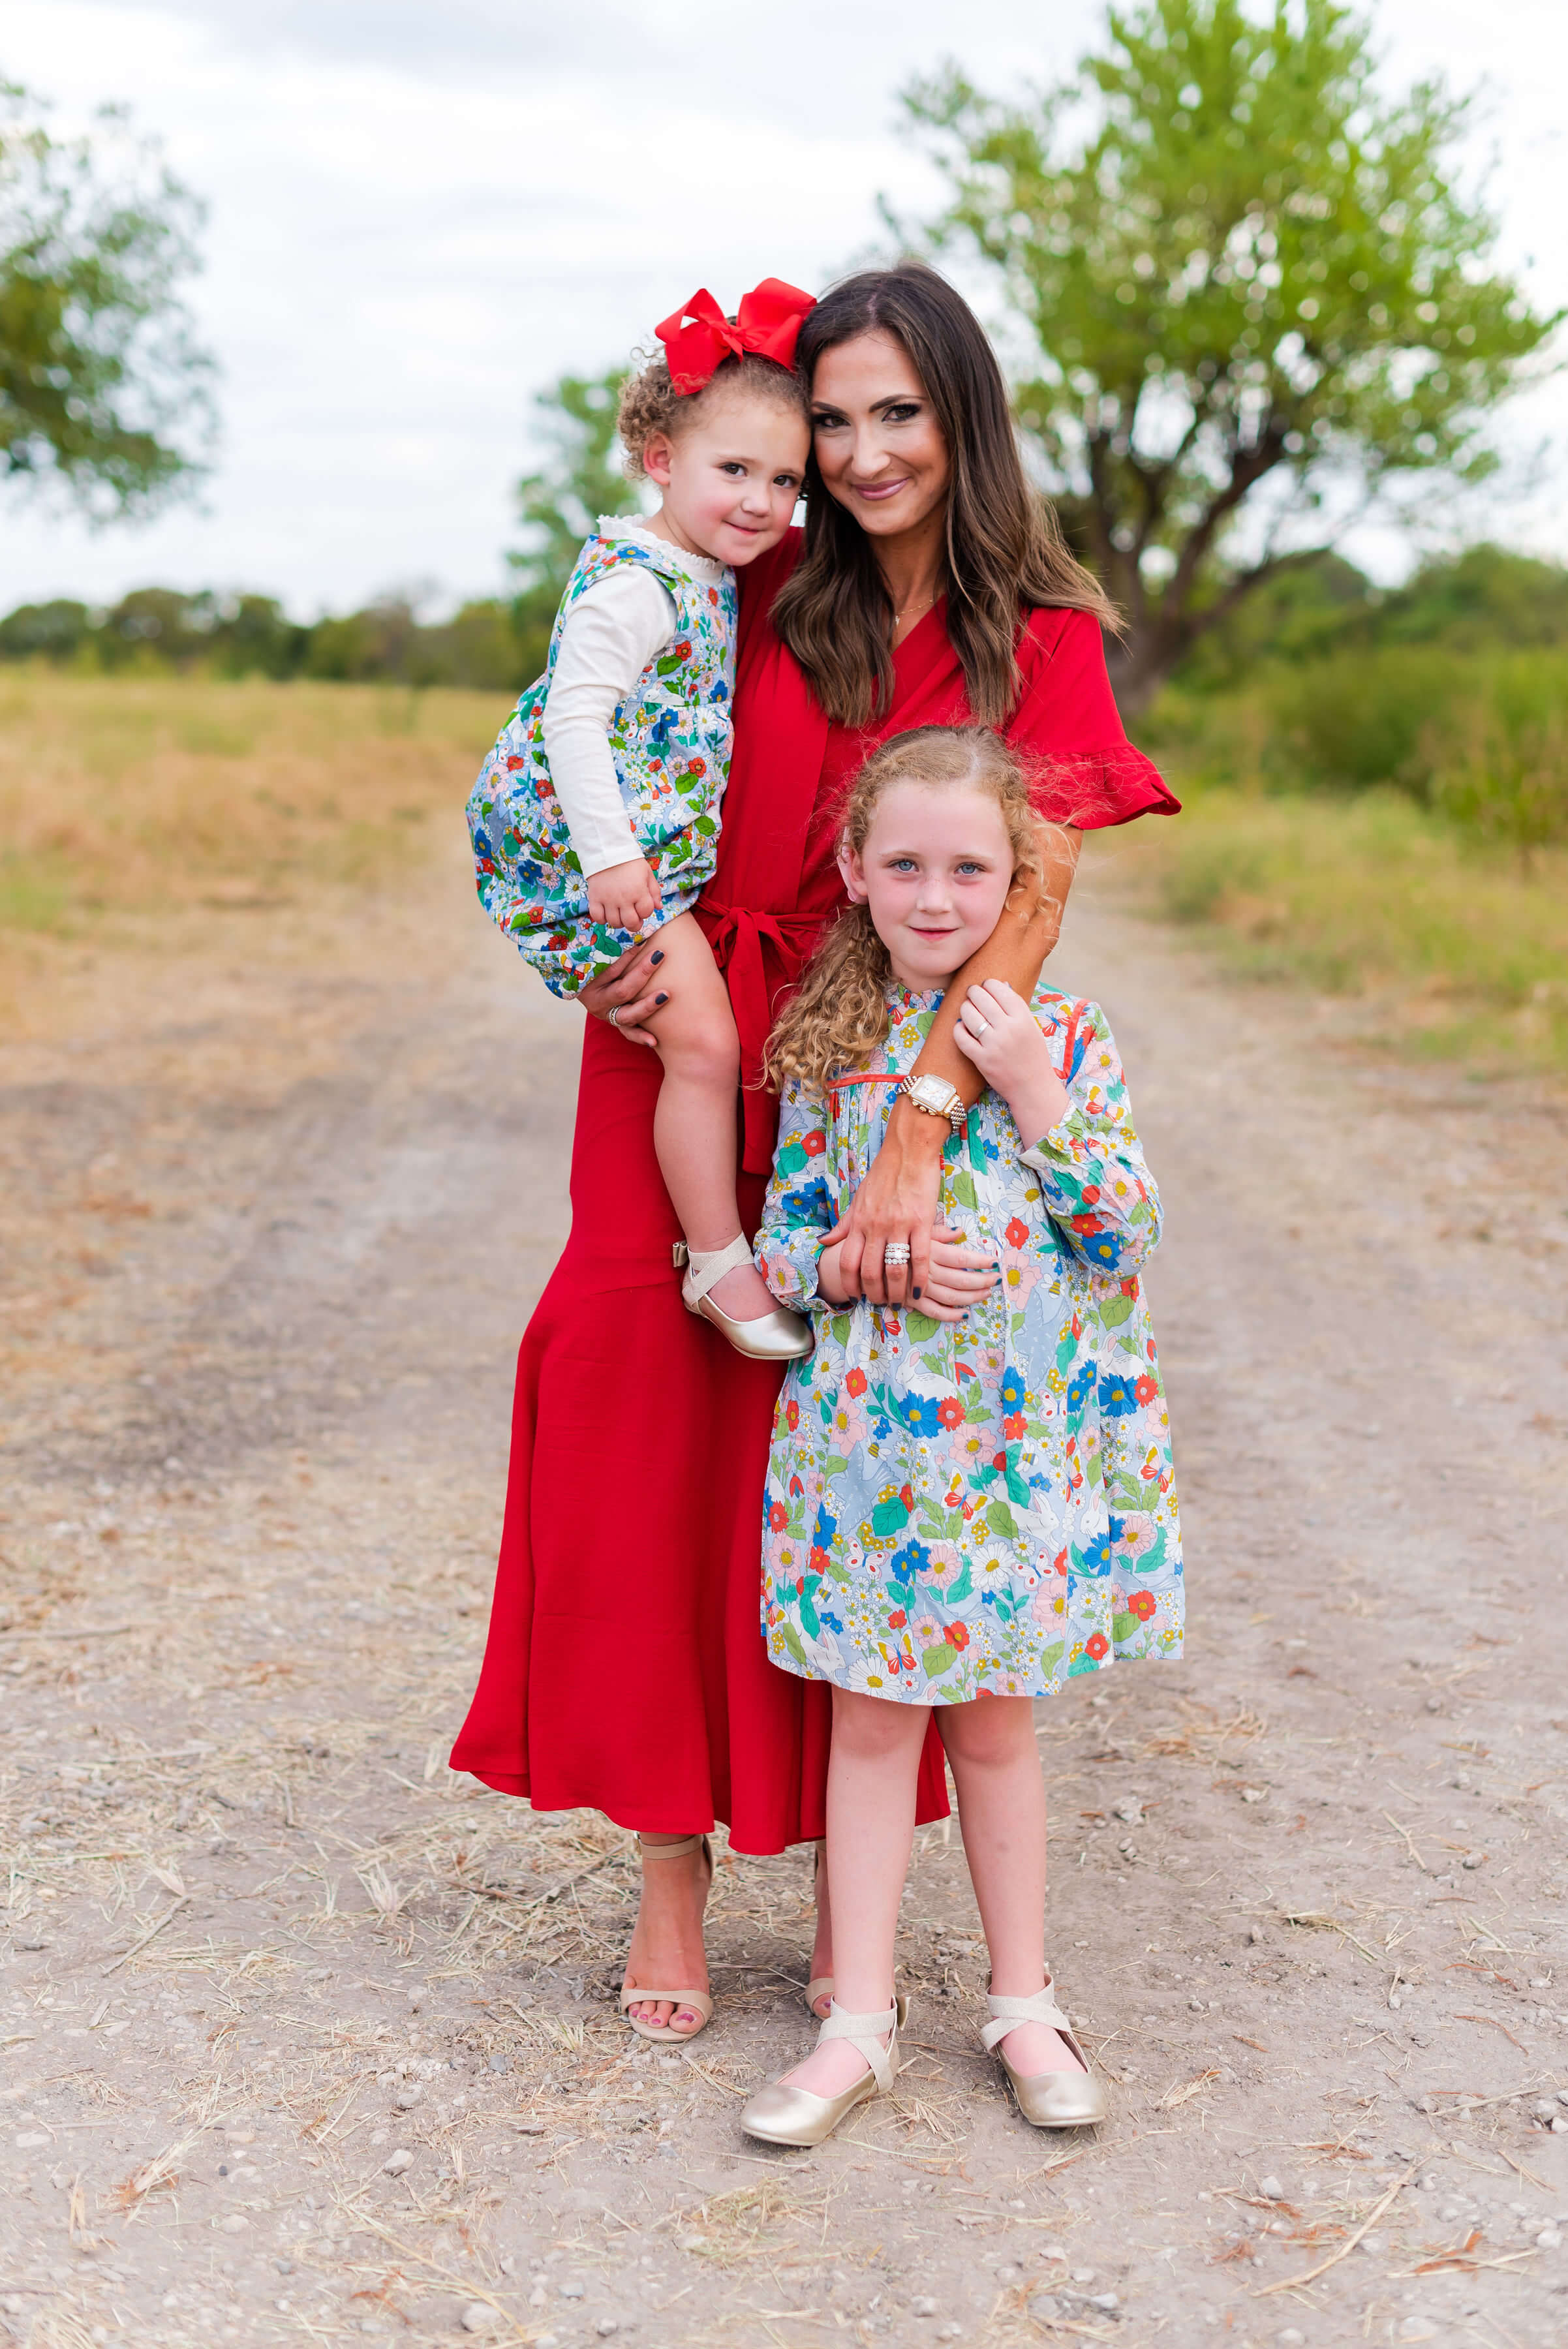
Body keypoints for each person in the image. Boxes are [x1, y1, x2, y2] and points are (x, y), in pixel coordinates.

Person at [450, 262, 1179, 2048]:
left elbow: (1039, 894)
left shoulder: (1040, 625)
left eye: (894, 415)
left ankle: (865, 1909)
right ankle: (670, 1865)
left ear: (963, 416)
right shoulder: (758, 564)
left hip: (881, 1061)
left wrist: (921, 1125)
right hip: (698, 1017)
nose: (853, 456)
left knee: (864, 1450)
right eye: (830, 419)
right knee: (656, 1401)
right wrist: (593, 926)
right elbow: (587, 715)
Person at [739, 726, 1182, 2147]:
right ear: (856, 874)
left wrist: (1034, 1093)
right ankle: (854, 2022)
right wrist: (877, 1266)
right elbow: (785, 1248)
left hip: (1013, 1462)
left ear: (1015, 881)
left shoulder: (1064, 1033)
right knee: (869, 1731)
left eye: (969, 869)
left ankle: (1022, 2004)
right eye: (907, 866)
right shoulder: (827, 1046)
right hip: (874, 1461)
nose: (937, 897)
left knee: (994, 1733)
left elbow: (1126, 1232)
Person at [466, 279, 816, 1359]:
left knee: (692, 1036)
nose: (761, 501)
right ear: (661, 458)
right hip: (587, 855)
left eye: (784, 480)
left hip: (627, 858)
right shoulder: (642, 583)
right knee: (706, 1046)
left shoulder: (702, 566)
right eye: (734, 470)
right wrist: (615, 858)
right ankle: (719, 1262)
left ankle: (722, 1254)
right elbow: (574, 716)